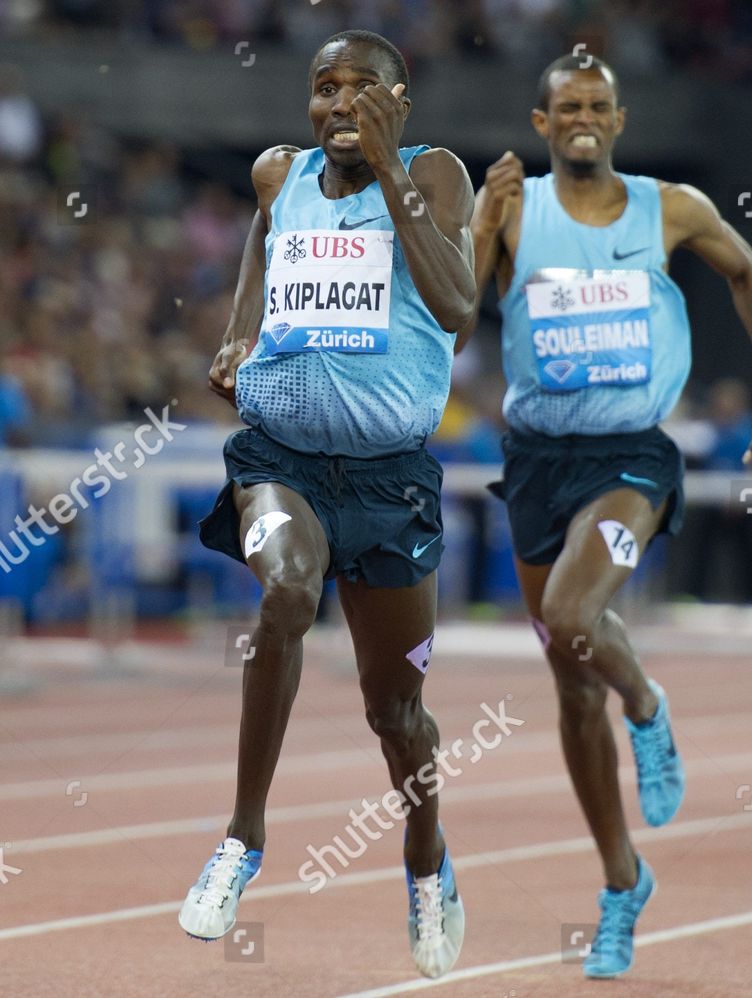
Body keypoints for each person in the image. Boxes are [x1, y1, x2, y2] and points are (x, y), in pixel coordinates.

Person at [465, 53, 752, 979]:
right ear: (541, 122)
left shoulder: (671, 207)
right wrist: (478, 226)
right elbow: (451, 320)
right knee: (570, 683)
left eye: (597, 106)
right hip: (536, 461)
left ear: (619, 119)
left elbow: (748, 270)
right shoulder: (516, 207)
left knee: (574, 617)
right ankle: (623, 885)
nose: (582, 118)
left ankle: (648, 704)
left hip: (629, 457)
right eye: (566, 106)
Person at [182, 30, 476, 979]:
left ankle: (427, 859)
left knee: (397, 715)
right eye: (323, 88)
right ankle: (241, 838)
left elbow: (459, 304)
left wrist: (393, 172)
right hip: (283, 461)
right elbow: (263, 248)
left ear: (399, 98)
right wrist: (237, 334)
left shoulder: (434, 176)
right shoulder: (280, 174)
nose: (339, 104)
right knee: (286, 592)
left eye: (362, 89)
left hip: (390, 484)